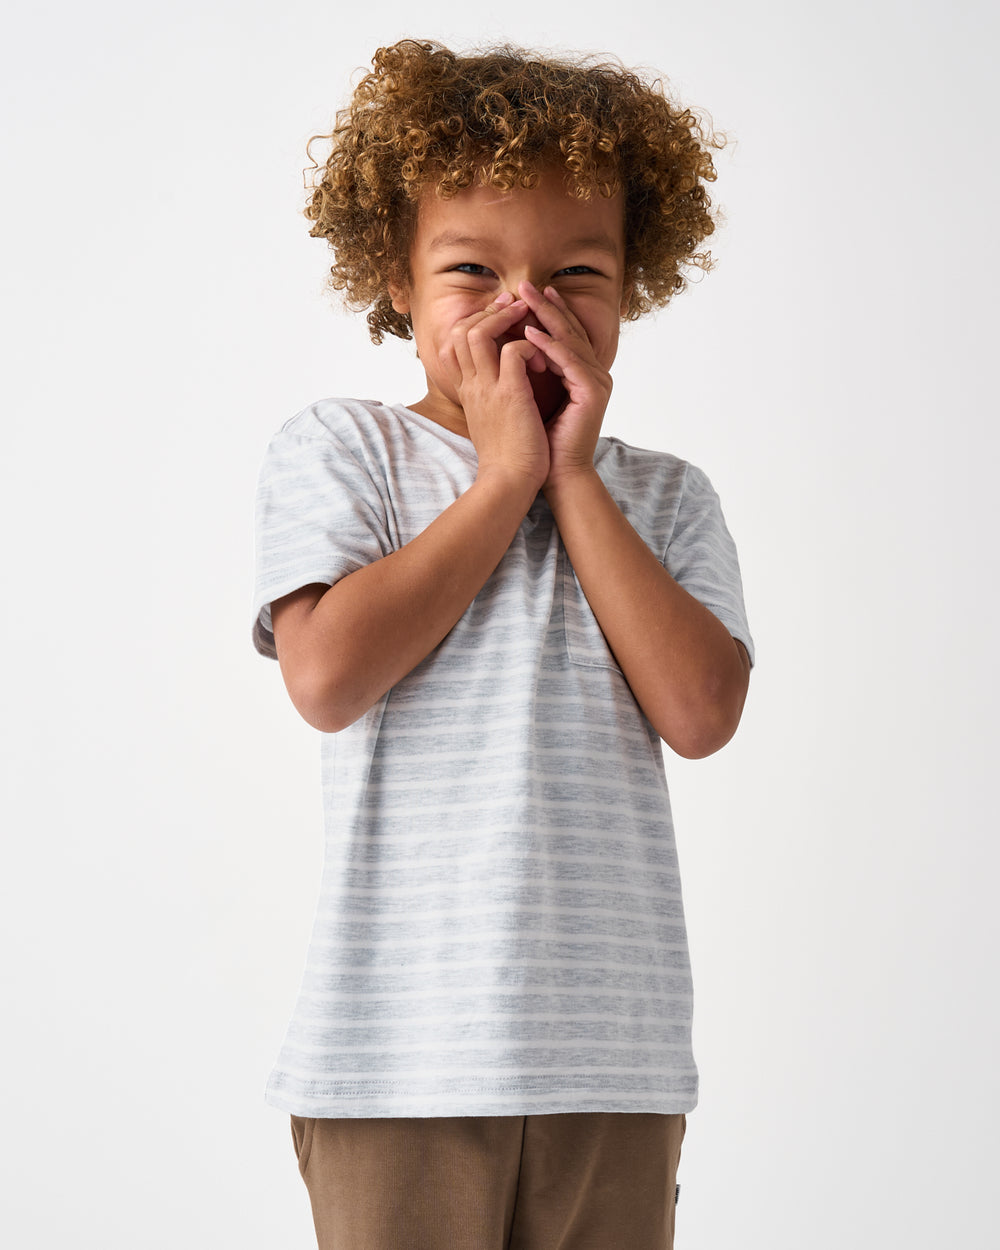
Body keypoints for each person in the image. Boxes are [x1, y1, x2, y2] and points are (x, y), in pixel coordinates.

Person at [252, 38, 754, 1250]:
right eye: (473, 267)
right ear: (396, 275)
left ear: (634, 284)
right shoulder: (344, 449)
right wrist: (503, 475)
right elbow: (324, 677)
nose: (526, 305)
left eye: (575, 271)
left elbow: (700, 712)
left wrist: (569, 474)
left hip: (612, 1062)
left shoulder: (667, 496)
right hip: (396, 1061)